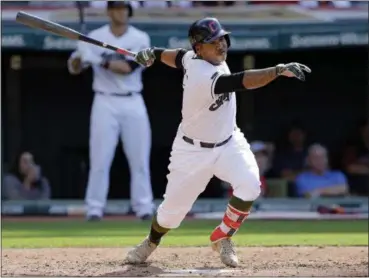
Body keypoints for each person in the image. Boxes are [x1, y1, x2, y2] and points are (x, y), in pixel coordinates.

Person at [126, 17, 311, 267]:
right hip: (192, 150)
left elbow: (177, 56)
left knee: (250, 185)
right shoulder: (202, 74)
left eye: (222, 39)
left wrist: (154, 53)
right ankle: (151, 241)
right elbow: (242, 81)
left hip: (228, 142)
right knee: (171, 215)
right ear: (199, 48)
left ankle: (223, 235)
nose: (221, 45)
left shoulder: (196, 57)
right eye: (214, 42)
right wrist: (277, 70)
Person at [67, 1, 154, 221]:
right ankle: (95, 208)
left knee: (140, 159)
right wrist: (80, 54)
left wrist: (95, 58)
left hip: (133, 101)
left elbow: (127, 68)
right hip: (104, 102)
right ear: (109, 11)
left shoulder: (140, 38)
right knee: (100, 159)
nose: (120, 11)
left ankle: (143, 207)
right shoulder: (95, 36)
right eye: (116, 7)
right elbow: (75, 69)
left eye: (124, 7)